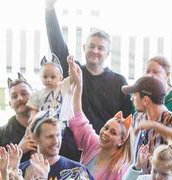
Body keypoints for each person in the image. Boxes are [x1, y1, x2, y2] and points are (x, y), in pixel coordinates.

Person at [43, 0, 132, 146]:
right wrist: (49, 9)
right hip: (73, 146)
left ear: (108, 53)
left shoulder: (119, 82)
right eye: (91, 46)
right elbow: (57, 44)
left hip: (106, 149)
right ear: (84, 47)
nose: (95, 51)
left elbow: (127, 123)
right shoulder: (74, 71)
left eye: (100, 48)